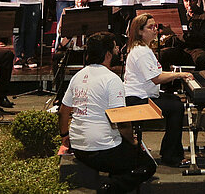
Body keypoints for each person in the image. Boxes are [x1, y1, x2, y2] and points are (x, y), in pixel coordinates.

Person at [59, 32, 156, 194]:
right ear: (108, 54)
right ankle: (110, 189)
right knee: (148, 165)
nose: (118, 50)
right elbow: (122, 121)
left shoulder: (78, 76)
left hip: (78, 147)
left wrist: (64, 135)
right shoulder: (112, 79)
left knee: (124, 153)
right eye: (115, 47)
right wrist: (132, 141)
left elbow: (63, 111)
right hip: (102, 150)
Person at [124, 13, 193, 168]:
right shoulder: (141, 52)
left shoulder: (144, 49)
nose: (155, 30)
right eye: (150, 27)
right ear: (140, 31)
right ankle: (171, 156)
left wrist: (177, 74)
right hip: (136, 99)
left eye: (155, 26)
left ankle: (170, 151)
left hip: (143, 95)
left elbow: (155, 74)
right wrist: (180, 74)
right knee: (176, 107)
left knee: (175, 101)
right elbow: (156, 78)